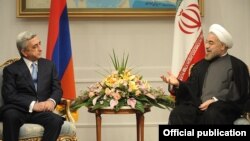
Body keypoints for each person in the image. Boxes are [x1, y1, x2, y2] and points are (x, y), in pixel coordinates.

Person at [161, 24, 250, 124]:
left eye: (211, 43)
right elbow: (191, 88)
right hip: (198, 107)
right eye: (206, 42)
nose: (206, 46)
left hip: (223, 109)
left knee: (213, 111)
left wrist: (215, 100)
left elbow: (239, 92)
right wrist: (178, 84)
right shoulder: (199, 66)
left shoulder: (237, 66)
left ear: (223, 46)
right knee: (178, 113)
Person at [0, 31, 64, 140]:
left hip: (41, 112)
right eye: (35, 46)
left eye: (40, 44)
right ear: (24, 52)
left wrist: (51, 101)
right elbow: (9, 95)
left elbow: (57, 89)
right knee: (10, 116)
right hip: (17, 109)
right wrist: (33, 105)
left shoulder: (49, 65)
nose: (40, 49)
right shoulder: (11, 70)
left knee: (56, 120)